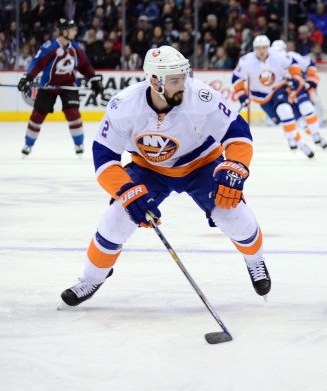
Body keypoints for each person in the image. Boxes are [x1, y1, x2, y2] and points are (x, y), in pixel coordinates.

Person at [59, 46, 271, 307]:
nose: (183, 84)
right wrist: (126, 191)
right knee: (116, 220)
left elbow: (238, 134)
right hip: (149, 170)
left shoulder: (202, 97)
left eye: (183, 76)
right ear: (154, 81)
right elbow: (104, 158)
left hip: (201, 164)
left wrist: (235, 165)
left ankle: (255, 261)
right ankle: (91, 279)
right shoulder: (124, 106)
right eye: (174, 80)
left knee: (233, 214)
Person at [17, 18, 104, 158]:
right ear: (64, 31)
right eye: (73, 29)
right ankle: (28, 144)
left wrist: (93, 78)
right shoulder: (49, 46)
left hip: (68, 86)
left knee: (73, 114)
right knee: (37, 116)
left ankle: (79, 144)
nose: (75, 31)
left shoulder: (76, 48)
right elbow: (37, 63)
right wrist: (28, 78)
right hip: (48, 86)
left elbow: (85, 66)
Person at [231, 35, 315, 158]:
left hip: (278, 88)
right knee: (282, 124)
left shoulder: (278, 55)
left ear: (268, 48)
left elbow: (293, 64)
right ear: (254, 49)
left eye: (264, 48)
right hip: (261, 96)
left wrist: (296, 77)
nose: (261, 51)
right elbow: (236, 78)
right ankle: (299, 142)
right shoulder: (246, 61)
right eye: (258, 48)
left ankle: (300, 142)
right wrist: (242, 95)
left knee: (284, 110)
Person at [271, 39, 327, 149]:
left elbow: (309, 64)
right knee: (301, 121)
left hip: (299, 89)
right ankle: (313, 136)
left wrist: (311, 79)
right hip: (285, 94)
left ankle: (316, 134)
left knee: (306, 108)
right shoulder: (269, 64)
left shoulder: (291, 56)